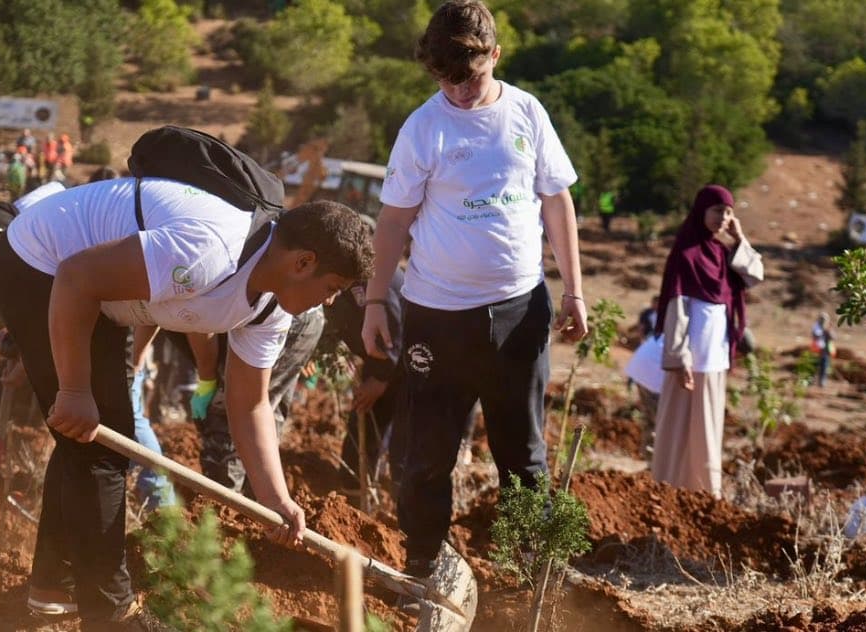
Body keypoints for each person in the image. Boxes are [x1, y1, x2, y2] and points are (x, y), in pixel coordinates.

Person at [0, 176, 371, 627]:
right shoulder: (210, 252)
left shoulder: (271, 308)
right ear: (303, 262)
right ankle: (110, 614)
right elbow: (76, 277)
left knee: (89, 440)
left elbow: (249, 405)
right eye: (332, 287)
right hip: (42, 263)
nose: (328, 302)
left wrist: (276, 499)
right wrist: (73, 391)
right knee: (100, 446)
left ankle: (53, 589)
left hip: (98, 292)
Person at [361, 0, 586, 580]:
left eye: (472, 78)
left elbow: (557, 201)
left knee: (524, 456)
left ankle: (533, 575)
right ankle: (423, 570)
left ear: (496, 55)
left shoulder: (528, 114)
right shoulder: (423, 127)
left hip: (520, 312)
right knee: (427, 457)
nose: (459, 93)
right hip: (437, 317)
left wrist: (574, 292)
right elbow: (392, 222)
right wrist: (373, 302)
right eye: (445, 81)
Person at [651, 185, 763, 498]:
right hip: (688, 359)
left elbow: (754, 275)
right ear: (701, 210)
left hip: (714, 360)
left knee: (708, 430)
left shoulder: (723, 253)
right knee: (677, 429)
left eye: (729, 212)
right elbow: (678, 306)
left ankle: (703, 494)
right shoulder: (685, 253)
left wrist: (740, 238)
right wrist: (680, 356)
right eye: (717, 210)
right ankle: (666, 490)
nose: (723, 218)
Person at [191, 308, 325, 495]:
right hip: (304, 316)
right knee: (267, 416)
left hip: (277, 317)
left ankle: (221, 508)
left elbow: (201, 323)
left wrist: (207, 379)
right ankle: (257, 509)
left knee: (232, 414)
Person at [324, 269, 408, 489]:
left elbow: (394, 330)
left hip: (409, 366)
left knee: (405, 446)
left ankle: (405, 509)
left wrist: (381, 379)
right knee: (363, 430)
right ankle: (355, 497)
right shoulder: (338, 280)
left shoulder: (376, 279)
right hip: (379, 362)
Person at [811, 312, 835, 388]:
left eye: (825, 319)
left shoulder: (828, 327)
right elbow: (815, 335)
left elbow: (833, 337)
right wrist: (824, 332)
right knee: (814, 365)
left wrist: (828, 332)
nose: (823, 321)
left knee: (824, 366)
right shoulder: (816, 326)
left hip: (826, 350)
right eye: (822, 319)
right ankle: (811, 381)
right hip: (817, 350)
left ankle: (822, 381)